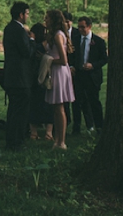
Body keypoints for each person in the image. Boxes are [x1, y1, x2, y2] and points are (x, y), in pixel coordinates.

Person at [2, 1, 36, 151]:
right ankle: (16, 141)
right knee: (20, 111)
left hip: (11, 75)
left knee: (13, 109)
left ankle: (12, 139)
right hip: (20, 78)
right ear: (21, 14)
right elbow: (26, 52)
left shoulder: (8, 28)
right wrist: (32, 40)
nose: (28, 16)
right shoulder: (19, 30)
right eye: (27, 13)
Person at [69, 16, 107, 134]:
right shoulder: (74, 39)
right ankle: (77, 126)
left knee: (94, 101)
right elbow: (70, 56)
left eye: (83, 27)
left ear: (89, 27)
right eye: (79, 27)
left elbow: (104, 59)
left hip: (92, 76)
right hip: (78, 75)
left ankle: (99, 126)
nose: (80, 29)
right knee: (76, 101)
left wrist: (93, 65)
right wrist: (71, 66)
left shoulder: (98, 41)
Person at [44, 10, 75, 150]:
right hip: (55, 71)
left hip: (59, 72)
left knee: (60, 107)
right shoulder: (53, 35)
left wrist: (48, 60)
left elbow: (63, 60)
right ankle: (57, 139)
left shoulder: (58, 36)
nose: (45, 20)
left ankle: (61, 141)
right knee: (56, 108)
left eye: (47, 18)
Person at [28, 23, 53, 141]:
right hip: (46, 76)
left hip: (33, 77)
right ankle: (49, 132)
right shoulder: (43, 46)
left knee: (34, 104)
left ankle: (34, 132)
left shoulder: (32, 45)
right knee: (48, 105)